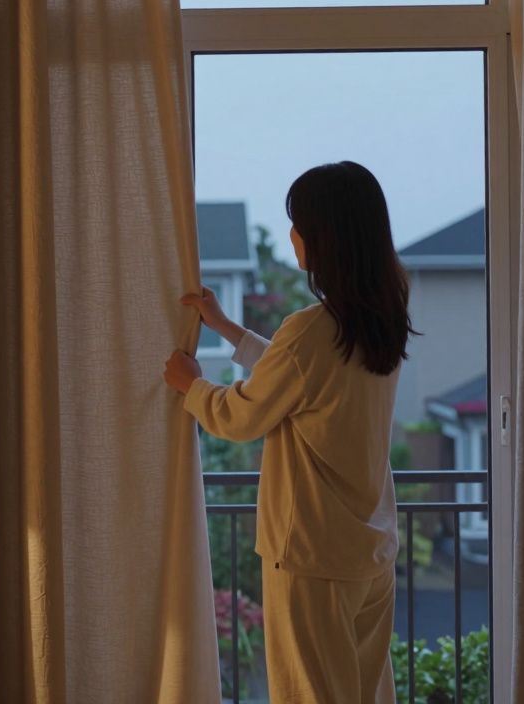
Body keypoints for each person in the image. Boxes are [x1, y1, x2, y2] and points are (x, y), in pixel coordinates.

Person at [164, 161, 412, 703]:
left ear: (324, 236)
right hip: (370, 551)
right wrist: (227, 327)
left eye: (298, 223)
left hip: (312, 553)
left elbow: (241, 417)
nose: (292, 235)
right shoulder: (380, 318)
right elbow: (301, 378)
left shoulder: (310, 332)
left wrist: (193, 386)